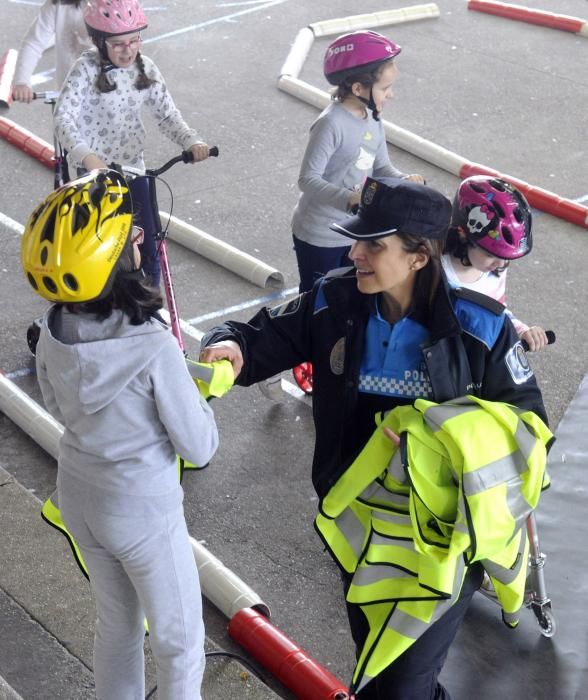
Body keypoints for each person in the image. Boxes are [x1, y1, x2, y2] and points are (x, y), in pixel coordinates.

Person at [199, 176, 549, 699]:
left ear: (419, 257)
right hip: (360, 535)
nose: (354, 252)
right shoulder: (332, 301)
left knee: (398, 687)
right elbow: (259, 337)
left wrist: (450, 446)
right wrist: (227, 346)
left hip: (444, 546)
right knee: (384, 674)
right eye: (359, 240)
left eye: (373, 245)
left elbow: (530, 428)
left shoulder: (482, 328)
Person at [21, 169, 219, 700]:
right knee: (180, 642)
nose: (140, 239)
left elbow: (57, 404)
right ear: (109, 260)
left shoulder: (54, 328)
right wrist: (204, 395)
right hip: (142, 511)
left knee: (118, 627)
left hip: (82, 496)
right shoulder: (153, 344)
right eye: (132, 234)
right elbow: (199, 447)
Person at [290, 30, 424, 393]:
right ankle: (298, 354)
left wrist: (405, 180)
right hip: (319, 233)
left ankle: (342, 358)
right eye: (385, 88)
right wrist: (349, 199)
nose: (390, 94)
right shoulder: (331, 124)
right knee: (319, 302)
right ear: (359, 87)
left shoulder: (372, 119)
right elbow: (308, 179)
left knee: (353, 296)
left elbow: (380, 168)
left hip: (353, 232)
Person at [53, 0, 211, 287]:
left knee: (148, 243)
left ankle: (150, 307)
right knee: (102, 248)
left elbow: (167, 115)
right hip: (95, 178)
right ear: (99, 42)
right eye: (117, 44)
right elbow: (63, 118)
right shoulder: (84, 71)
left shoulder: (145, 69)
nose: (128, 50)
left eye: (134, 41)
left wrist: (192, 140)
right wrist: (88, 159)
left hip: (134, 170)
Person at [443, 175, 549, 351]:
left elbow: (496, 312)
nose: (501, 264)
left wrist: (522, 331)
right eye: (490, 254)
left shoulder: (494, 270)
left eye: (506, 257)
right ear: (462, 234)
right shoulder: (435, 266)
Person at [12, 0, 92, 103]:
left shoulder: (117, 6)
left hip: (110, 97)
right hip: (68, 96)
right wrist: (22, 81)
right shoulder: (59, 4)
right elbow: (34, 43)